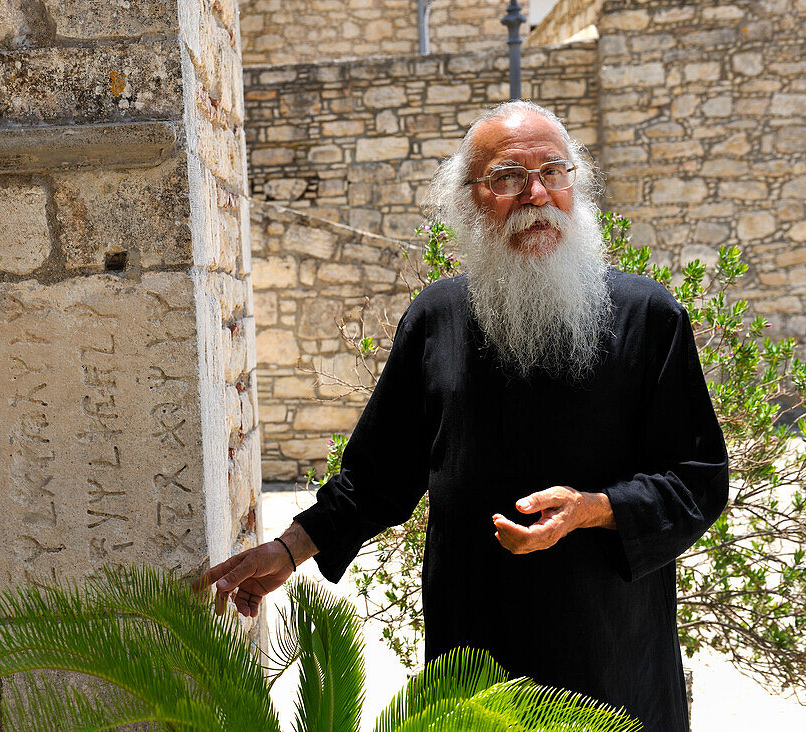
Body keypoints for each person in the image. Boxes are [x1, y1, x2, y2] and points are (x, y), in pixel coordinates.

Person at [200, 100, 729, 731]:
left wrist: (595, 508)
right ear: (469, 201)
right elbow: (378, 476)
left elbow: (698, 477)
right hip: (475, 657)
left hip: (612, 655)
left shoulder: (649, 318)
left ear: (574, 187)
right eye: (505, 179)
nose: (534, 195)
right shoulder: (437, 320)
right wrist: (290, 551)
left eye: (552, 173)